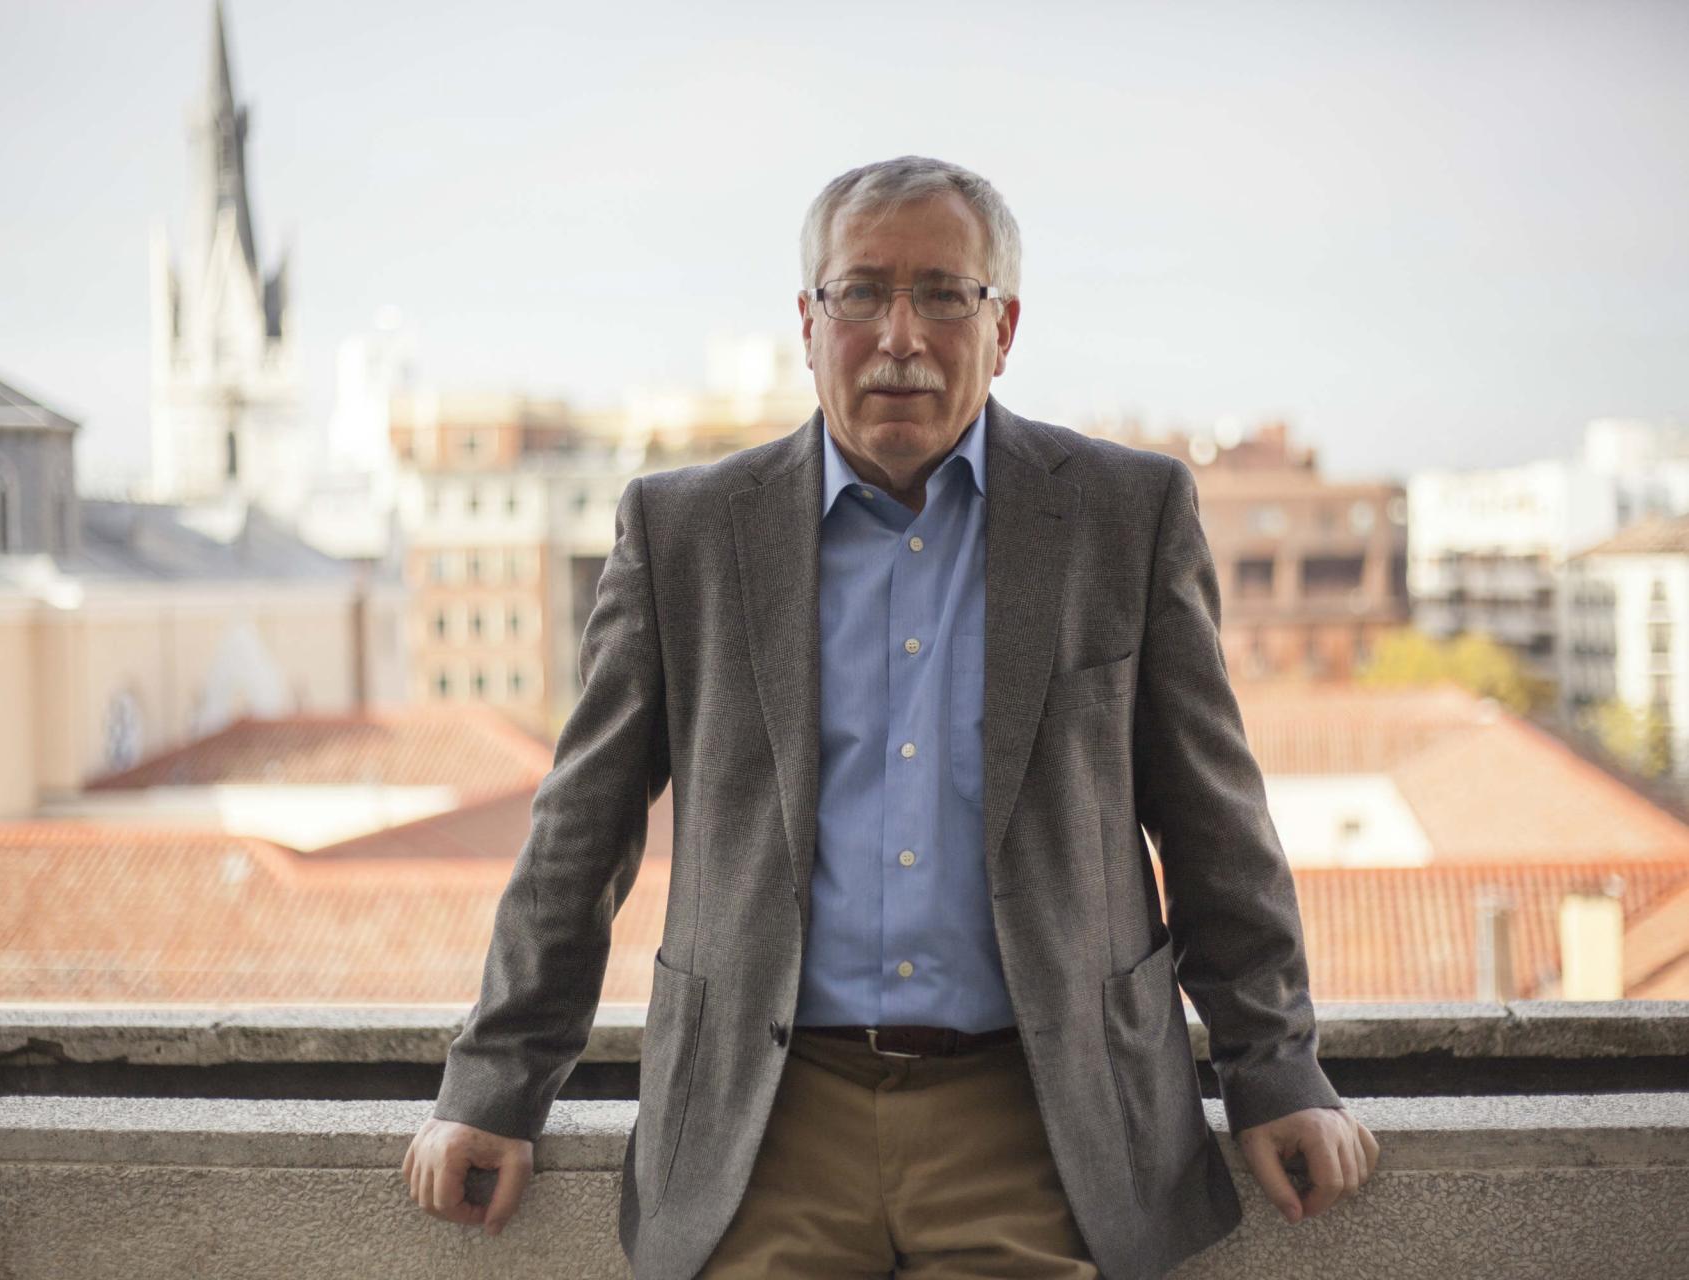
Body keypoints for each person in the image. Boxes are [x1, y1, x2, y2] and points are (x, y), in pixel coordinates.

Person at [404, 155, 1378, 1279]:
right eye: (860, 291)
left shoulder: (1123, 514)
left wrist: (1275, 1068)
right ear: (807, 322)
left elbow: (1213, 825)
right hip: (762, 1123)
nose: (899, 335)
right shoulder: (685, 532)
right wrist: (494, 1083)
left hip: (1039, 1112)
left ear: (1002, 325)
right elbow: (579, 829)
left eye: (941, 294)